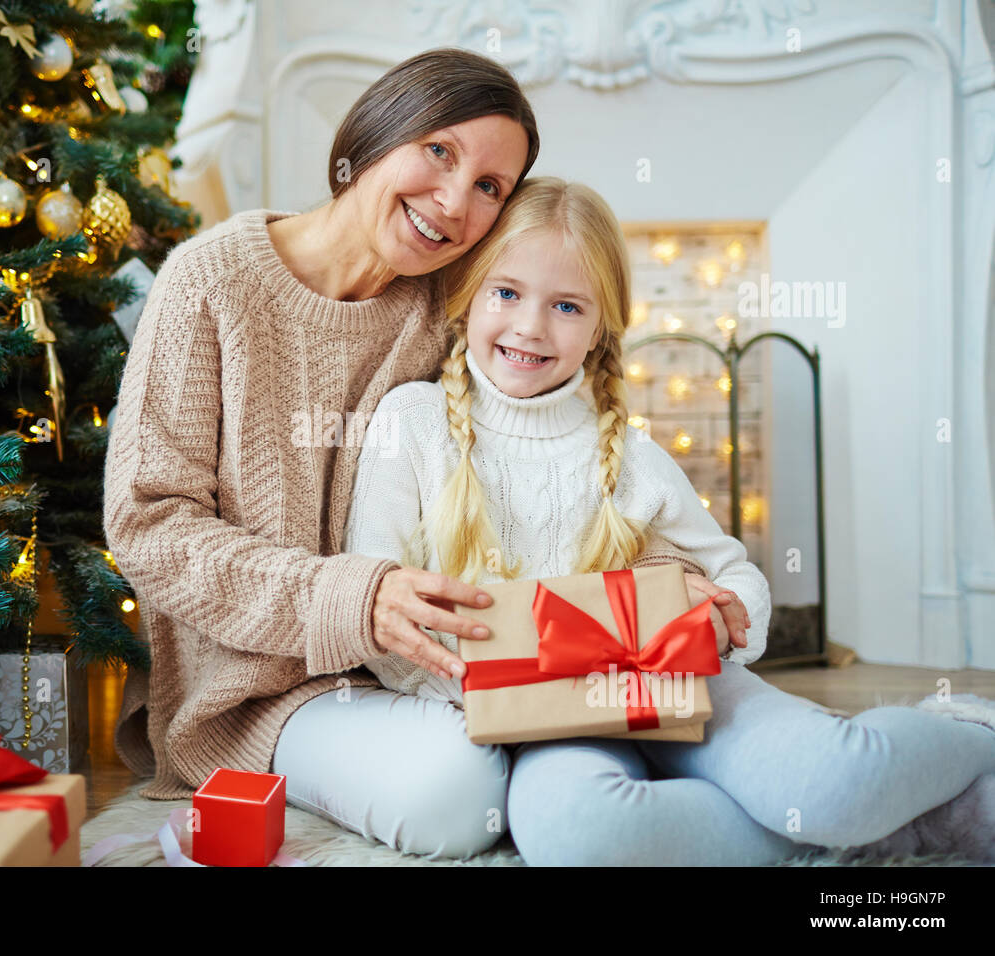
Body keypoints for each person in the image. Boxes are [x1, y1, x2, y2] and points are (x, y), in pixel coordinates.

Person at [103, 48, 749, 826]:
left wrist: (669, 569)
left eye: (488, 187)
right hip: (257, 695)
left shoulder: (457, 298)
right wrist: (353, 597)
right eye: (439, 151)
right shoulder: (209, 283)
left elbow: (559, 455)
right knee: (455, 797)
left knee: (562, 764)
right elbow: (149, 526)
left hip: (438, 673)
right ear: (375, 132)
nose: (452, 201)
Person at [322, 175, 995, 863]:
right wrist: (496, 686)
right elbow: (376, 609)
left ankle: (971, 732)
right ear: (468, 295)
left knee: (835, 779)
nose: (529, 325)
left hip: (675, 683)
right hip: (550, 726)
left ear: (600, 326)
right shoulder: (413, 423)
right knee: (574, 831)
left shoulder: (631, 455)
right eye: (506, 292)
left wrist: (722, 616)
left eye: (566, 305)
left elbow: (736, 572)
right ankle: (882, 828)